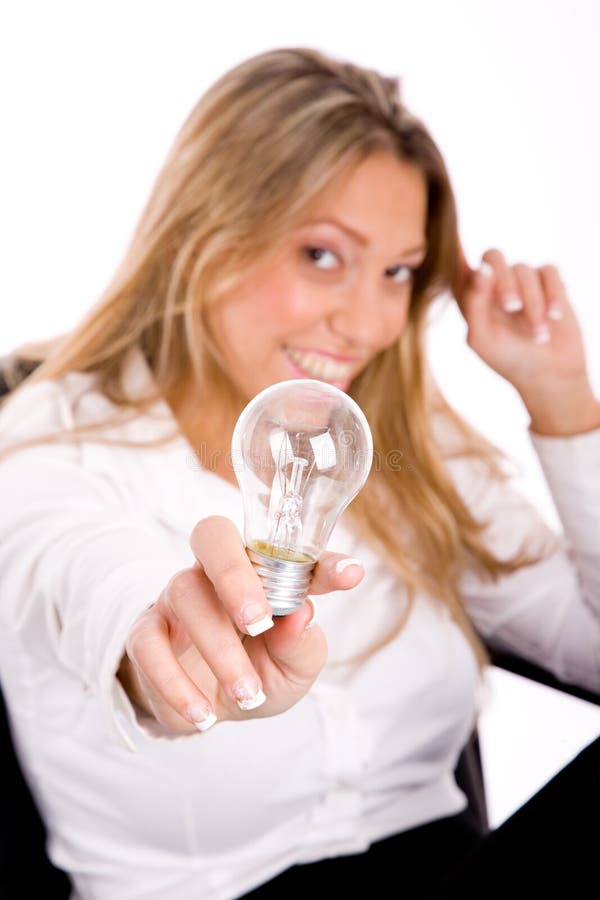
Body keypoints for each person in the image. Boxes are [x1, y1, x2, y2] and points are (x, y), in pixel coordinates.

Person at [0, 45, 598, 900]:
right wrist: (160, 634)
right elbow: (77, 566)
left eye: (397, 271)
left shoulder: (396, 438)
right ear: (205, 232)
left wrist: (562, 397)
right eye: (322, 254)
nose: (369, 320)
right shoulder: (47, 445)